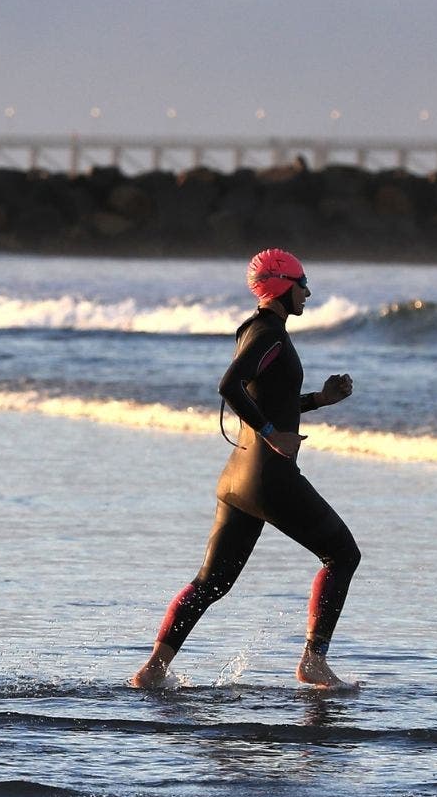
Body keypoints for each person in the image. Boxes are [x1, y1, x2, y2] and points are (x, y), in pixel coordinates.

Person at [131, 249, 362, 692]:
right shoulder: (270, 335)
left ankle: (153, 670)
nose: (308, 292)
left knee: (211, 582)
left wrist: (319, 400)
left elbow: (264, 398)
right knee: (343, 555)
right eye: (302, 282)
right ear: (281, 285)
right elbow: (229, 385)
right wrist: (273, 433)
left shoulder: (256, 330)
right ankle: (313, 661)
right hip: (269, 477)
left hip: (238, 478)